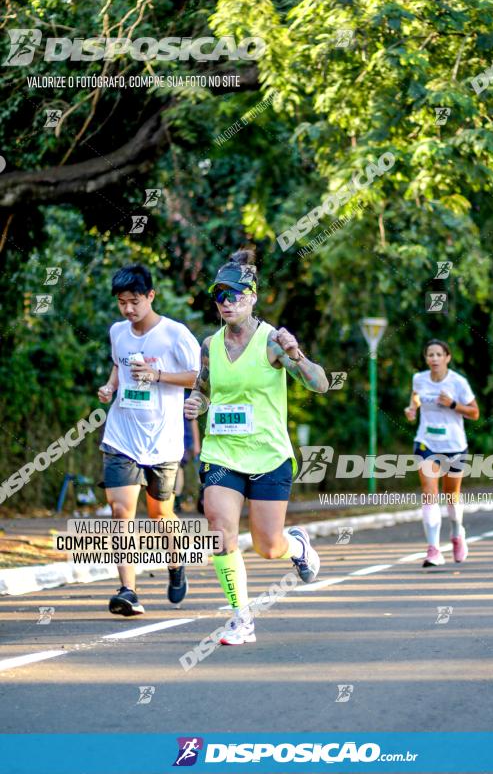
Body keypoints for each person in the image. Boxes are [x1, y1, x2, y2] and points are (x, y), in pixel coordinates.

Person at [184, 249, 329, 645]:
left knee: (268, 546)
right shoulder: (209, 345)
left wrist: (296, 353)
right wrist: (198, 403)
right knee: (219, 529)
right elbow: (205, 389)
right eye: (219, 296)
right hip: (222, 454)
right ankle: (240, 618)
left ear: (252, 297)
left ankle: (296, 546)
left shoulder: (273, 342)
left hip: (268, 455)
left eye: (235, 295)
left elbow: (320, 384)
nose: (227, 302)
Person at [97, 264, 201, 616]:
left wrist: (157, 375)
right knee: (121, 511)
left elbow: (197, 378)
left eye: (135, 301)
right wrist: (111, 386)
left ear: (151, 296)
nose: (128, 309)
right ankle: (128, 590)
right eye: (122, 302)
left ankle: (176, 564)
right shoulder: (118, 332)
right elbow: (118, 363)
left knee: (161, 514)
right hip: (121, 436)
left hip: (163, 442)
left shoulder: (175, 334)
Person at [404, 339, 479, 568]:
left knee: (451, 495)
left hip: (455, 445)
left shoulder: (459, 382)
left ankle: (457, 533)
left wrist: (454, 404)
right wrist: (412, 409)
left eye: (438, 354)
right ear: (426, 358)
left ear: (447, 357)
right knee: (429, 492)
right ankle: (433, 549)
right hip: (426, 443)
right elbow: (416, 397)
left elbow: (474, 413)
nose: (434, 358)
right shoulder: (419, 378)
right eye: (430, 354)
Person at [174, 397, 200, 514]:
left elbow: (193, 420)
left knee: (179, 469)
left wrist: (196, 443)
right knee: (178, 470)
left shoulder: (186, 399)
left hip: (184, 439)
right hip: (171, 439)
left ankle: (177, 499)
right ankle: (176, 499)